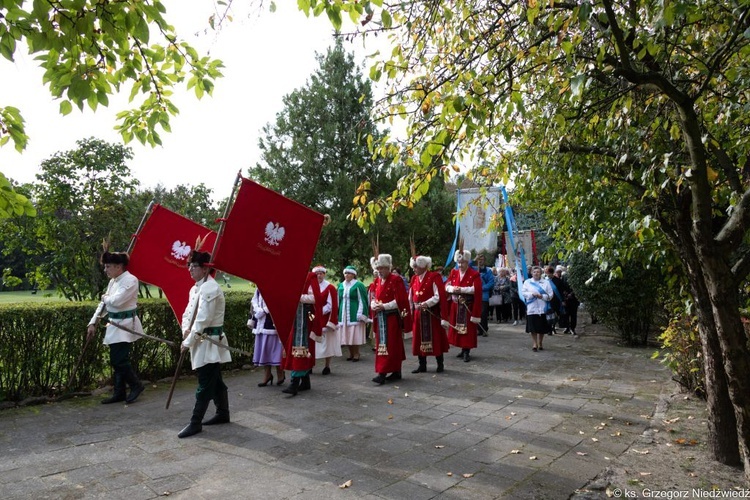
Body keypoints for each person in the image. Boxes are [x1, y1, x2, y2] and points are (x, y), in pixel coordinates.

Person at [178, 248, 232, 438]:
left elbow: (203, 320)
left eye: (194, 266)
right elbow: (187, 314)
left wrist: (188, 341)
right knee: (214, 380)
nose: (190, 270)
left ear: (205, 269)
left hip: (209, 341)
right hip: (200, 339)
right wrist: (185, 331)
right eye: (189, 266)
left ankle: (195, 422)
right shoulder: (196, 288)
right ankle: (223, 413)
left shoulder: (210, 287)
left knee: (205, 383)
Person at [87, 249, 145, 405]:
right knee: (117, 359)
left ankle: (136, 385)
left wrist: (105, 297)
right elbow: (104, 305)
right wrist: (93, 322)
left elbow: (116, 301)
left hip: (126, 325)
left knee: (119, 360)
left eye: (108, 266)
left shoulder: (131, 280)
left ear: (119, 266)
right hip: (114, 324)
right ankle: (119, 392)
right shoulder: (113, 281)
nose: (105, 270)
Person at [370, 253, 413, 384]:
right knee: (382, 345)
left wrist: (384, 306)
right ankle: (394, 371)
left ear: (388, 268)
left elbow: (400, 300)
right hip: (381, 317)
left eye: (382, 268)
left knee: (392, 345)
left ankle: (383, 373)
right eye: (378, 269)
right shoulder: (377, 281)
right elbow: (374, 297)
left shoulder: (396, 280)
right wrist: (374, 304)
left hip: (392, 317)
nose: (380, 271)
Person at [281, 272, 323, 396]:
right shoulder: (293, 276)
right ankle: (305, 382)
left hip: (304, 321)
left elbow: (315, 298)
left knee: (300, 349)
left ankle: (294, 384)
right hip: (295, 320)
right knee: (296, 349)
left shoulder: (310, 277)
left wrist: (297, 296)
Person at [408, 254, 449, 373]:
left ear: (424, 266)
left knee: (436, 338)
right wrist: (411, 308)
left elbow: (438, 295)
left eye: (416, 267)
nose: (414, 269)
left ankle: (440, 363)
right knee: (419, 339)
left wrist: (427, 303)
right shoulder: (414, 279)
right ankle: (422, 365)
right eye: (413, 267)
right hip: (418, 313)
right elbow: (411, 296)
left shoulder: (434, 276)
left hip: (431, 313)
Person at [445, 249, 482, 362]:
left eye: (463, 263)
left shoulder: (474, 274)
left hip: (467, 306)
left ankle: (467, 351)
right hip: (456, 306)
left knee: (468, 330)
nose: (460, 265)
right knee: (458, 329)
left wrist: (461, 289)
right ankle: (462, 348)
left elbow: (477, 289)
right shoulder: (453, 272)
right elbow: (447, 285)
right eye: (459, 263)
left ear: (467, 262)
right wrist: (452, 288)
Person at [249, 287, 285, 387]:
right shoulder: (258, 288)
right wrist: (257, 309)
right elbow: (254, 300)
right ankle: (267, 374)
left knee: (275, 350)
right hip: (260, 322)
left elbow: (277, 300)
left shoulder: (274, 286)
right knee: (263, 351)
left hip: (271, 322)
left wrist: (264, 311)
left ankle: (280, 372)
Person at [337, 265, 369, 362]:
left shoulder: (358, 285)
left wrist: (361, 313)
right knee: (346, 334)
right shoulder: (341, 285)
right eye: (345, 273)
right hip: (343, 314)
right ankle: (350, 353)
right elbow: (338, 299)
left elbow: (362, 300)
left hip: (354, 312)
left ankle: (356, 353)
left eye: (349, 273)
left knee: (354, 334)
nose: (347, 275)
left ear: (353, 275)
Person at [312, 265, 340, 375]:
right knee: (312, 343)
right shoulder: (310, 286)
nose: (319, 275)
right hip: (312, 318)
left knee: (327, 343)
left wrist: (318, 312)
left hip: (324, 318)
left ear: (324, 274)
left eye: (321, 273)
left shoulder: (330, 287)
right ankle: (310, 365)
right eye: (317, 273)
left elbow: (330, 305)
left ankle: (327, 366)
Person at [522, 265, 553, 351]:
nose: (536, 273)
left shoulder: (546, 283)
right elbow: (524, 293)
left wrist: (542, 296)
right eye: (534, 272)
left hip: (543, 308)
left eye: (538, 272)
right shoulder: (527, 282)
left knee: (541, 328)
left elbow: (550, 295)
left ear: (541, 273)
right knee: (533, 328)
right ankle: (535, 343)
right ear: (531, 273)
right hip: (532, 308)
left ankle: (540, 342)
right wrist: (532, 294)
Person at [545, 265, 571, 335]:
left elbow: (561, 291)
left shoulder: (558, 280)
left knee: (557, 315)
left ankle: (554, 326)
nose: (548, 275)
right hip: (548, 301)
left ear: (552, 273)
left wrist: (563, 300)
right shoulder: (545, 281)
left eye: (549, 273)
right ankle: (550, 329)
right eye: (546, 273)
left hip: (556, 300)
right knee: (549, 315)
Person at [474, 255, 495, 336]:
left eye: (482, 259)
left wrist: (482, 288)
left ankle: (484, 329)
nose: (480, 261)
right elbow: (467, 265)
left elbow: (491, 282)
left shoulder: (488, 271)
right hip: (474, 294)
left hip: (484, 295)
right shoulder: (474, 269)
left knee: (483, 313)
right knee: (476, 312)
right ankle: (478, 329)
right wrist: (473, 260)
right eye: (479, 259)